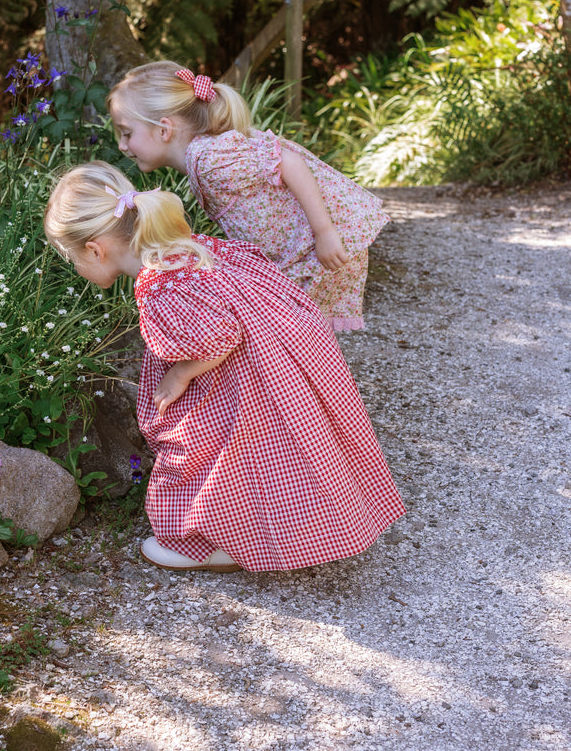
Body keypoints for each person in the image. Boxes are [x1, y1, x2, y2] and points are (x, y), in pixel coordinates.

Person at [44, 161, 405, 573]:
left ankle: (207, 543)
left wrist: (179, 373)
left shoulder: (159, 283)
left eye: (70, 257)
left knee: (202, 446)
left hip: (247, 372)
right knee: (268, 454)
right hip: (276, 358)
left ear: (94, 248)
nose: (75, 267)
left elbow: (218, 337)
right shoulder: (188, 247)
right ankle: (272, 531)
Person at [107, 60, 389, 331]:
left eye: (126, 133)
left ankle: (301, 377)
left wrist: (324, 232)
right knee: (283, 333)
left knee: (283, 332)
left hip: (315, 246)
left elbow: (289, 162)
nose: (121, 145)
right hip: (294, 250)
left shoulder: (210, 159)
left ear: (164, 129)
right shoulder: (203, 155)